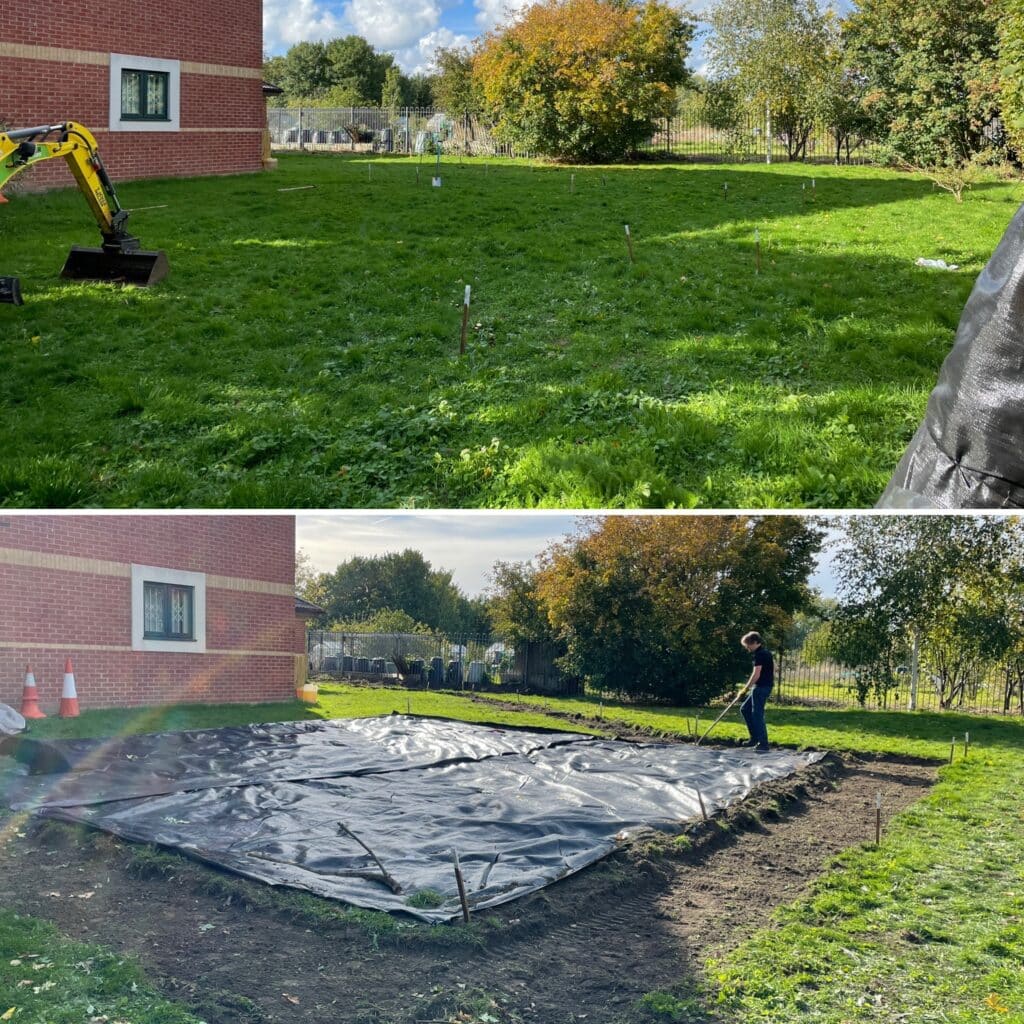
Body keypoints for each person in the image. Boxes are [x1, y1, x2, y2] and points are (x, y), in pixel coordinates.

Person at [739, 631, 773, 752]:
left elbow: (756, 674)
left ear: (754, 642)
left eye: (748, 645)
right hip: (761, 686)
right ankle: (754, 738)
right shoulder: (764, 653)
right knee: (745, 709)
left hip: (762, 687)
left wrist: (745, 689)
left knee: (757, 714)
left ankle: (763, 743)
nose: (747, 648)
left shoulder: (760, 655)